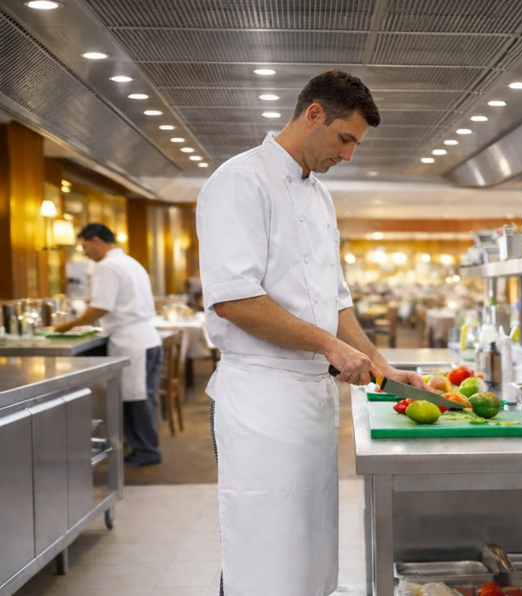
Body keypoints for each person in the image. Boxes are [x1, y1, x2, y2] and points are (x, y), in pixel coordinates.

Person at [197, 69, 432, 595]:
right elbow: (234, 300)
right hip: (261, 399)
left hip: (311, 403)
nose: (348, 155)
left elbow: (336, 302)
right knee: (263, 552)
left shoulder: (320, 197)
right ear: (314, 114)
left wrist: (381, 365)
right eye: (345, 139)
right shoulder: (240, 180)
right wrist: (330, 346)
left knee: (309, 548)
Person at [54, 223, 163, 468]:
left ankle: (146, 451)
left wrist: (69, 325)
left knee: (135, 399)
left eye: (83, 246)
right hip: (147, 338)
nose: (83, 252)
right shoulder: (130, 262)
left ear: (95, 240)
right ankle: (146, 447)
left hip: (131, 340)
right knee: (143, 398)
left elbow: (102, 306)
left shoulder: (107, 266)